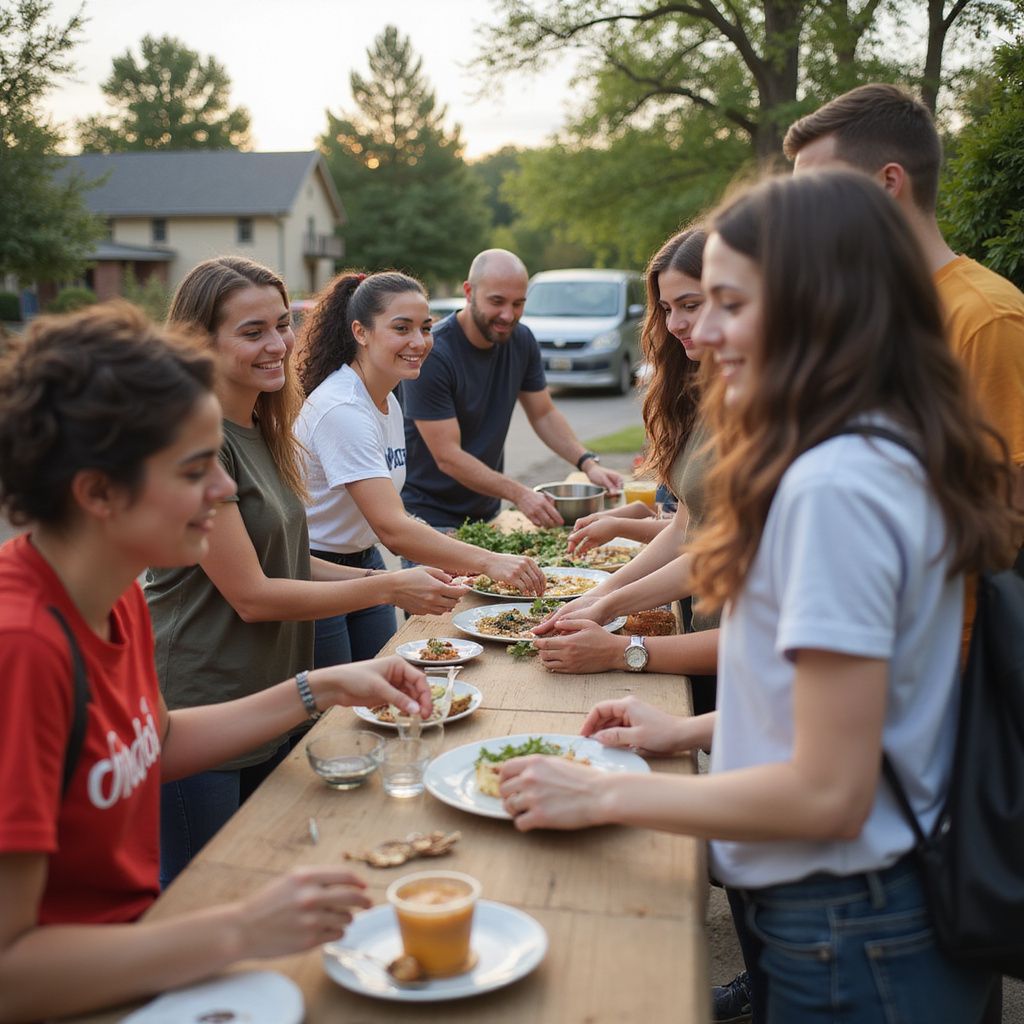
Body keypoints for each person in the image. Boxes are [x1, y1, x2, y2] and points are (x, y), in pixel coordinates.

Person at [498, 170, 1021, 1024]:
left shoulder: (835, 487)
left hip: (854, 926)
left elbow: (827, 792)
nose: (700, 332)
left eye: (731, 305)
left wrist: (599, 794)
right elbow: (850, 711)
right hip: (867, 916)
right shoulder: (875, 450)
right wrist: (691, 730)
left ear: (821, 307)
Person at [0, 303, 435, 1022]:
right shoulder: (23, 649)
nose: (226, 489)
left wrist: (321, 685)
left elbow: (157, 742)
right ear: (97, 492)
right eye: (196, 469)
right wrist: (237, 928)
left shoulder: (113, 593)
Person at [784, 82, 1024, 1024]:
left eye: (815, 190)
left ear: (886, 187)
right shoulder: (880, 313)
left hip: (951, 671)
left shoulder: (985, 316)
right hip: (869, 651)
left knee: (946, 896)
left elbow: (1006, 524)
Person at [146, 257, 460, 886]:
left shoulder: (263, 423)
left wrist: (395, 587)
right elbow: (253, 596)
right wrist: (389, 585)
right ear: (198, 342)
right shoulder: (194, 439)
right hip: (202, 700)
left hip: (267, 700)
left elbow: (287, 561)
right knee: (200, 893)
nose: (278, 345)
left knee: (264, 876)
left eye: (282, 325)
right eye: (253, 331)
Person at [296, 269, 548, 668]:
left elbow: (388, 511)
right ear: (360, 332)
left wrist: (446, 549)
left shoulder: (387, 400)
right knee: (339, 711)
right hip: (315, 572)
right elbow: (393, 529)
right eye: (402, 328)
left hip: (366, 561)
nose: (419, 342)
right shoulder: (343, 409)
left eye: (425, 328)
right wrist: (489, 561)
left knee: (384, 681)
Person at [530, 229, 720, 713]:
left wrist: (617, 635)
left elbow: (719, 555)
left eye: (690, 304)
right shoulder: (701, 391)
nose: (675, 323)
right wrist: (603, 594)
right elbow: (687, 526)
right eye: (666, 308)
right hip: (706, 635)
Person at [401, 248, 624, 531]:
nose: (508, 315)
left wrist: (588, 463)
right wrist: (519, 493)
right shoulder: (434, 354)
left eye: (518, 303)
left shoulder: (521, 340)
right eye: (497, 301)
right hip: (429, 518)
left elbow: (543, 413)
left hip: (486, 511)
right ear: (469, 292)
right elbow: (448, 457)